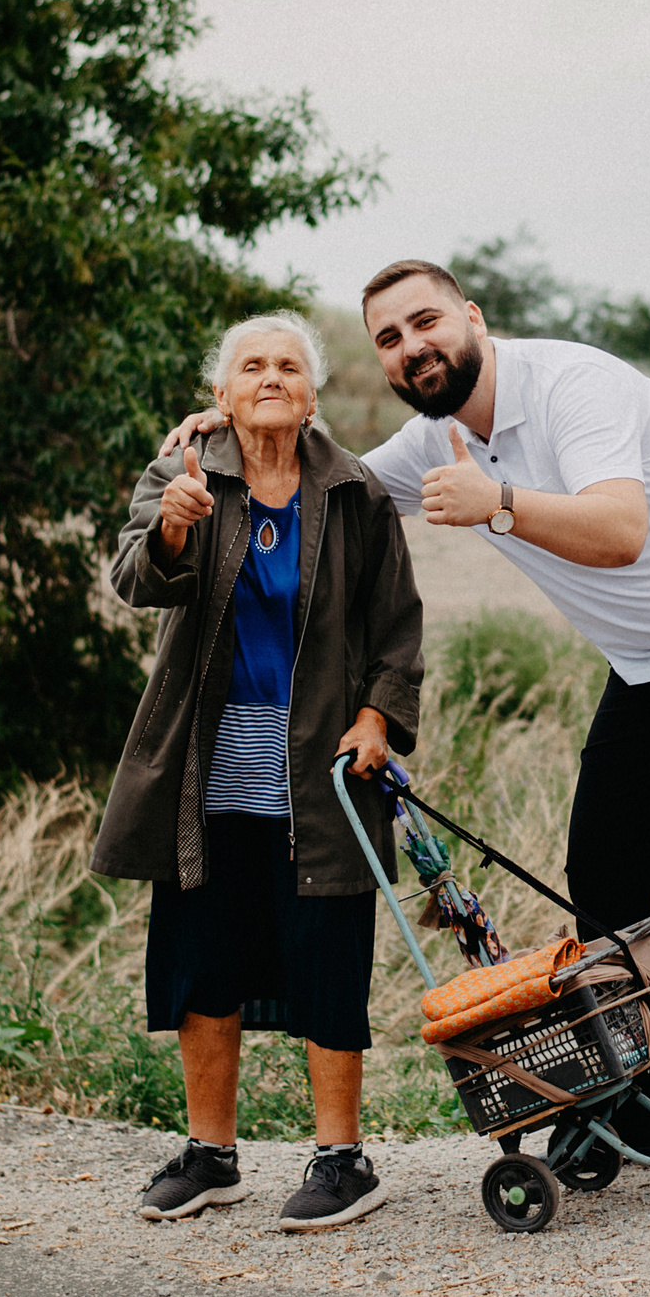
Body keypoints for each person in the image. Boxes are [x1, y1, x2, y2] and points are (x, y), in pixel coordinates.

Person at [166, 262, 650, 1210]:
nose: (411, 347)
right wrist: (240, 433)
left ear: (473, 318)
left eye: (425, 322)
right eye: (389, 340)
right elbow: (330, 490)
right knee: (604, 866)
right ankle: (636, 1106)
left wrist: (503, 505)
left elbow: (622, 528)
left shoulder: (574, 386)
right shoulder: (433, 437)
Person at [95, 312, 424, 1232]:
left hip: (320, 773)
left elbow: (396, 623)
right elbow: (133, 579)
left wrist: (378, 717)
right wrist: (169, 530)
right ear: (221, 393)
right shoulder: (183, 473)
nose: (271, 377)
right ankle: (211, 1155)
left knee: (327, 959)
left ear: (313, 394)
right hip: (205, 773)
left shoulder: (354, 490)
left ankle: (341, 1159)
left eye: (289, 365)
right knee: (205, 960)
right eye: (252, 366)